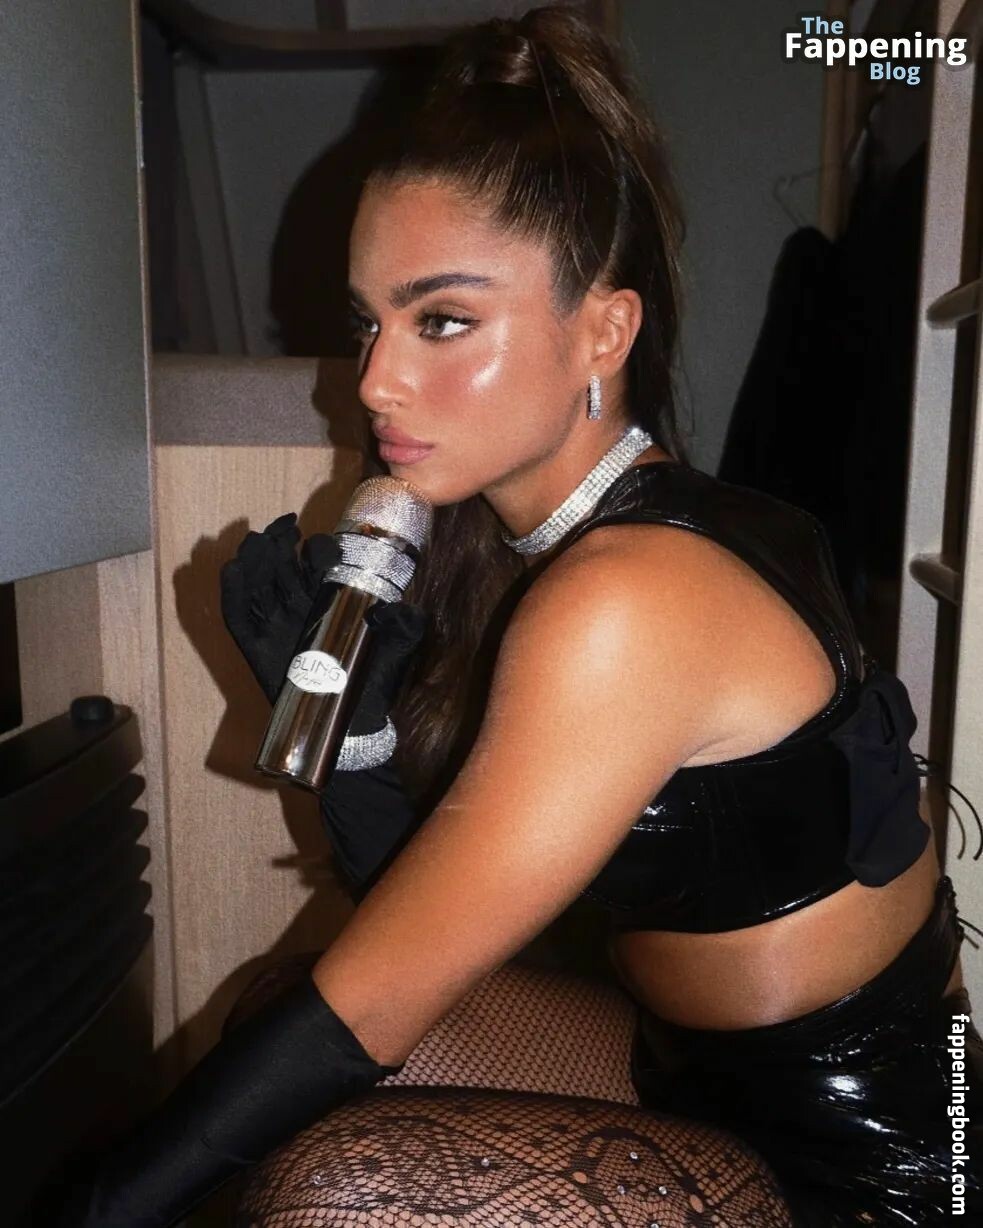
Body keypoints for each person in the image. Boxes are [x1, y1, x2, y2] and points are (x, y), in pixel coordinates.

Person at [47, 6, 982, 1226]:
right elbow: (439, 932)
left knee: (341, 1190)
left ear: (604, 330)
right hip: (693, 1076)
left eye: (441, 320)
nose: (376, 379)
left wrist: (83, 1210)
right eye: (368, 321)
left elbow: (371, 1005)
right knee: (279, 1018)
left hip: (876, 1172)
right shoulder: (583, 542)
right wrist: (361, 739)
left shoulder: (627, 599)